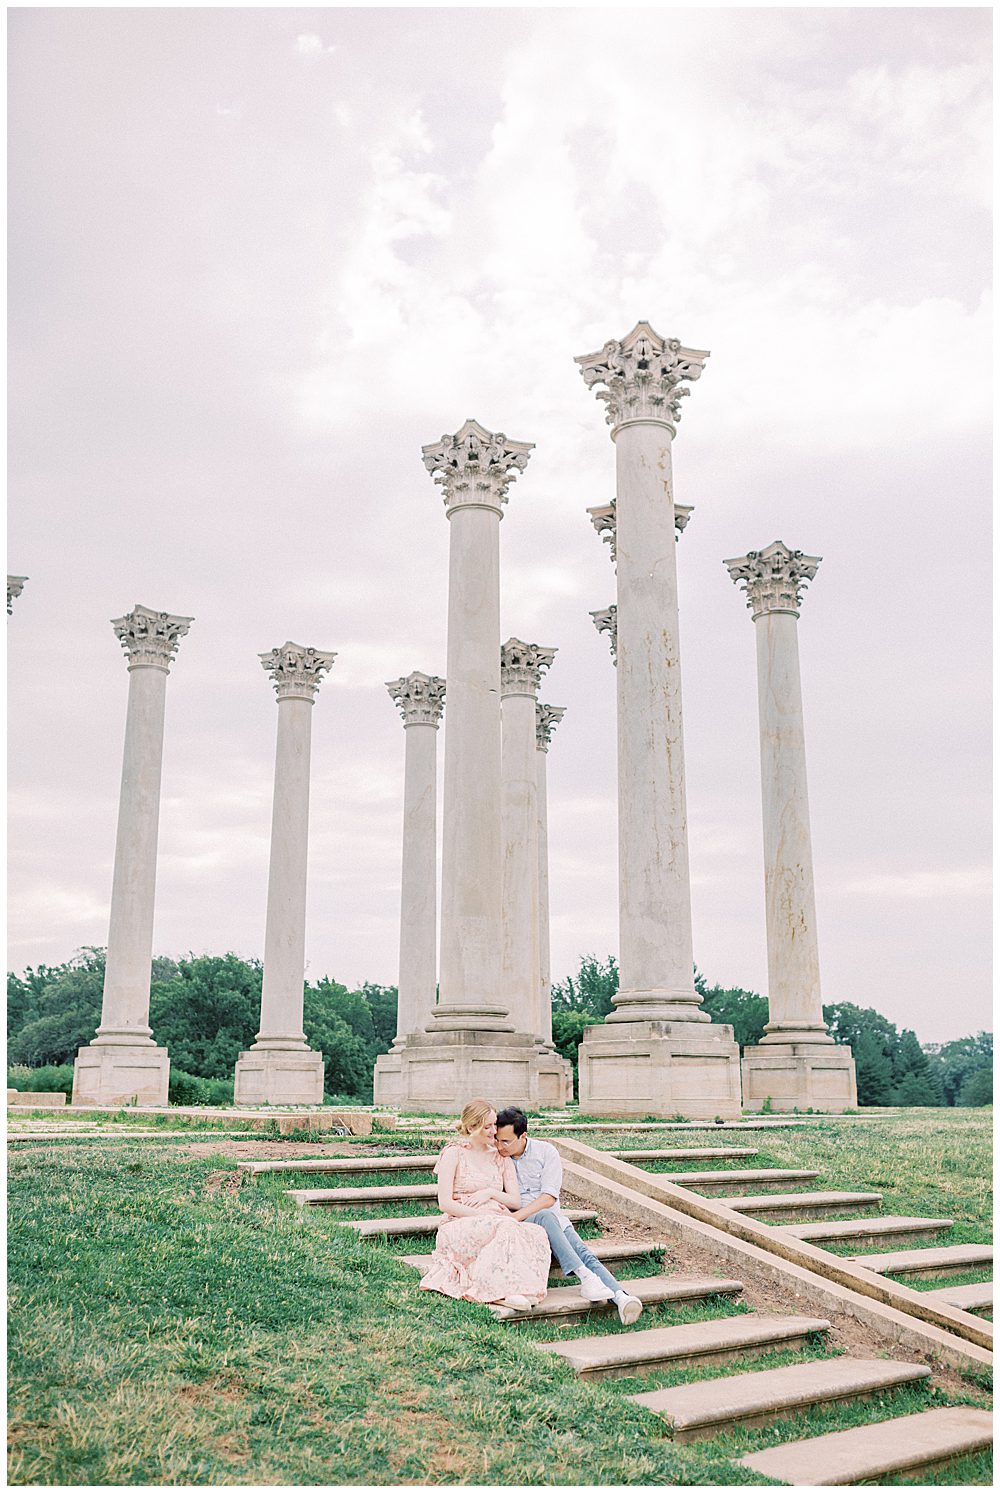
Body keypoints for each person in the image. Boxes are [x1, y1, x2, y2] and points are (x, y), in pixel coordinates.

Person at [495, 1106, 643, 1325]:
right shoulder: (498, 1158)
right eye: (497, 1140)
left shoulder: (546, 1152)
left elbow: (548, 1198)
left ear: (523, 1136)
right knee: (546, 1218)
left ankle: (621, 1298)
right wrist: (515, 1218)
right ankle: (586, 1278)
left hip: (548, 1219)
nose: (499, 1146)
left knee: (582, 1251)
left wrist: (518, 1216)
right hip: (523, 1222)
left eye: (505, 1141)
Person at [419, 1098, 551, 1310]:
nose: (494, 1131)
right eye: (487, 1126)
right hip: (460, 1221)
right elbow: (445, 1203)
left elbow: (515, 1201)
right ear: (472, 1127)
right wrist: (482, 1216)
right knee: (505, 1226)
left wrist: (490, 1193)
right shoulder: (454, 1153)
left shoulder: (500, 1156)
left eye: (494, 1125)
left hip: (496, 1218)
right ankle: (497, 1291)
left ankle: (520, 1288)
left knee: (536, 1232)